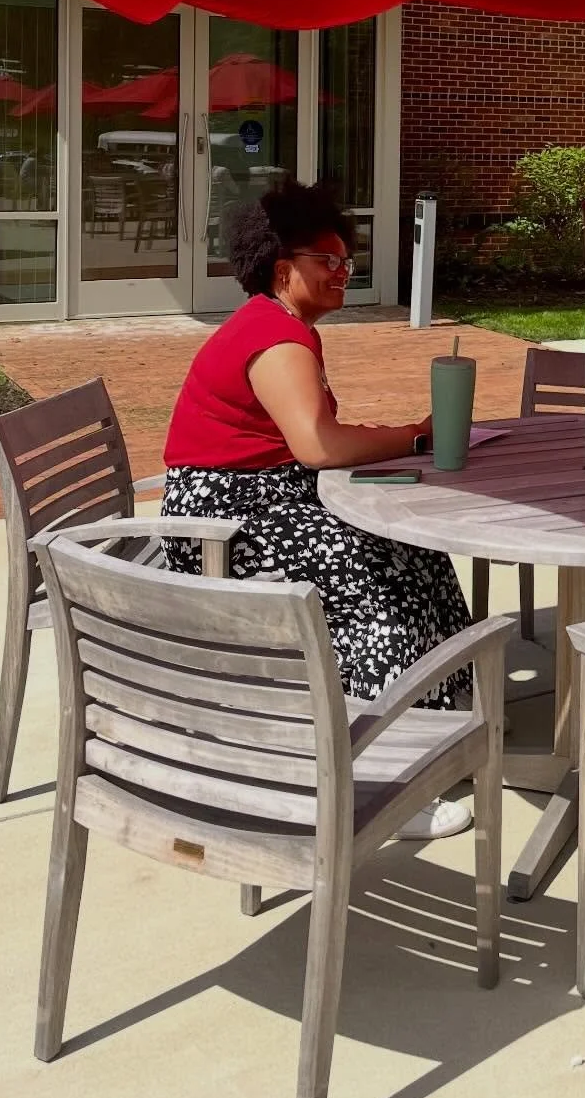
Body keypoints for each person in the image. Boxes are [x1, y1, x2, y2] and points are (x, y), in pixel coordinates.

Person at [160, 178, 473, 839]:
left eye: (345, 261)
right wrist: (416, 438)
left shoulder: (281, 325)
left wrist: (402, 440)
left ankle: (436, 726)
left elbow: (309, 445)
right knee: (376, 590)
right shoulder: (276, 337)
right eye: (326, 261)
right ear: (283, 269)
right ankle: (382, 785)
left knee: (414, 547)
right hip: (225, 524)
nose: (342, 272)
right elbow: (320, 445)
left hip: (257, 500)